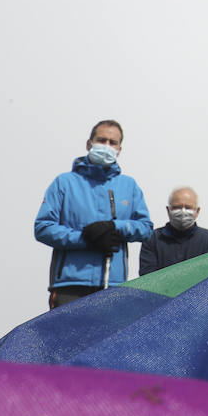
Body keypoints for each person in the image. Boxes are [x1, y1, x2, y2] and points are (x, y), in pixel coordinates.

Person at [35, 119, 153, 309]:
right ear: (89, 144)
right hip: (70, 285)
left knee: (110, 339)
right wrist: (85, 238)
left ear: (119, 149)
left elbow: (145, 228)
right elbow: (43, 227)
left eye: (112, 142)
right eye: (102, 140)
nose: (106, 146)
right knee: (67, 339)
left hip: (113, 284)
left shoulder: (129, 186)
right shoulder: (64, 183)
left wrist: (115, 227)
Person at [139, 187, 208, 276]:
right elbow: (147, 277)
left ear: (197, 211)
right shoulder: (152, 238)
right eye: (177, 207)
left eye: (188, 207)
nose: (183, 211)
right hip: (162, 290)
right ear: (168, 210)